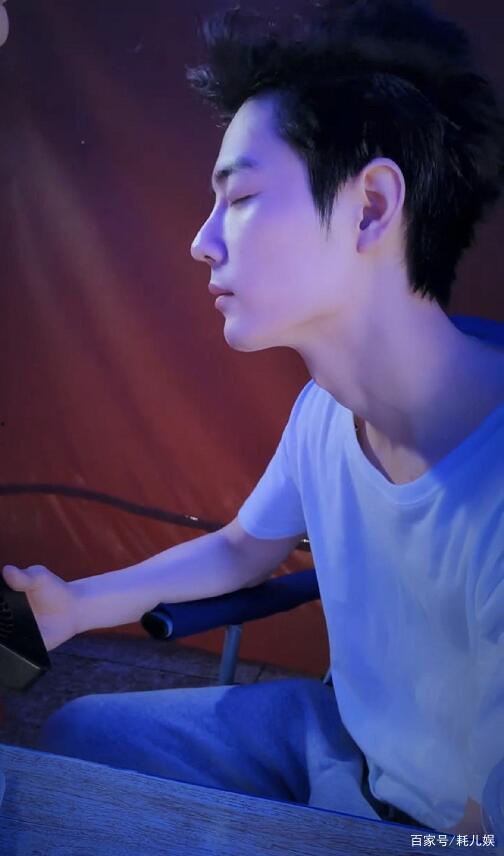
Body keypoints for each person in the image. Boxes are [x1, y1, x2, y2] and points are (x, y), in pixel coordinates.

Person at [2, 0, 503, 835]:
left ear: (371, 207)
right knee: (78, 739)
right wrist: (74, 606)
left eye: (238, 197)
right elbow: (243, 546)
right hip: (338, 742)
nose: (202, 242)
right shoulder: (324, 412)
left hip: (440, 824)